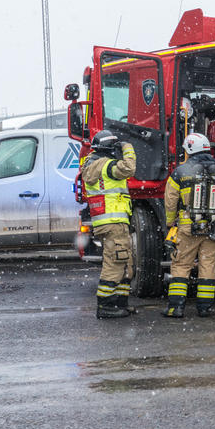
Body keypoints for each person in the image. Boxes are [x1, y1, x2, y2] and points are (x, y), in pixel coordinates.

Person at [162, 133, 215, 318]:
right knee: (208, 265)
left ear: (189, 150)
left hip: (187, 228)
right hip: (213, 228)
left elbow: (170, 201)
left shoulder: (179, 172)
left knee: (181, 265)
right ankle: (204, 308)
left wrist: (170, 222)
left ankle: (175, 308)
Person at [81, 130, 137, 319]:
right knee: (115, 262)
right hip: (114, 222)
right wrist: (127, 147)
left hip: (109, 222)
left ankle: (120, 303)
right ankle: (106, 306)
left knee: (125, 262)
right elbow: (129, 168)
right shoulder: (105, 165)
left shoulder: (91, 163)